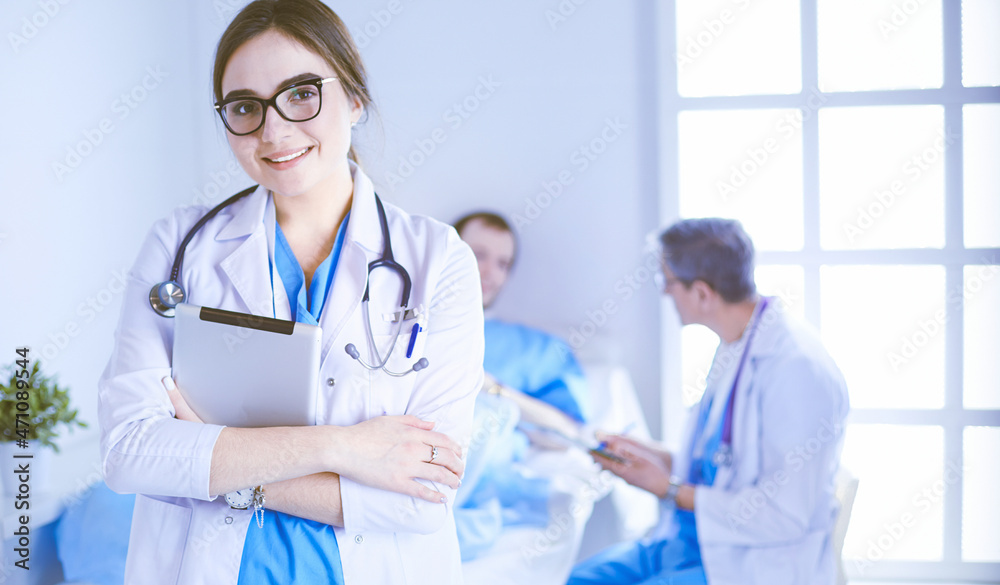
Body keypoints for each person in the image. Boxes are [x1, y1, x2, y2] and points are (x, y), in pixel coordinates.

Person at [97, 1, 483, 583]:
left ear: (354, 98)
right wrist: (344, 449)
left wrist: (213, 458)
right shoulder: (178, 246)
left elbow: (420, 496)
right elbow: (130, 453)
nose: (273, 132)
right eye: (245, 107)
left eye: (302, 93)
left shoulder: (438, 260)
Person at [568, 218, 850, 585]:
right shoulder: (736, 344)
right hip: (693, 541)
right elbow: (722, 461)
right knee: (579, 579)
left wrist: (666, 487)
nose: (665, 294)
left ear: (701, 293)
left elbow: (784, 516)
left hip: (750, 562)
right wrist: (648, 456)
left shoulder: (798, 369)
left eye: (667, 282)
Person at [453, 212, 597, 583]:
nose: (489, 271)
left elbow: (568, 433)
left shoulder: (537, 351)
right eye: (479, 254)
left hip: (471, 489)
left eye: (502, 263)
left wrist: (493, 389)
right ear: (452, 251)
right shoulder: (407, 329)